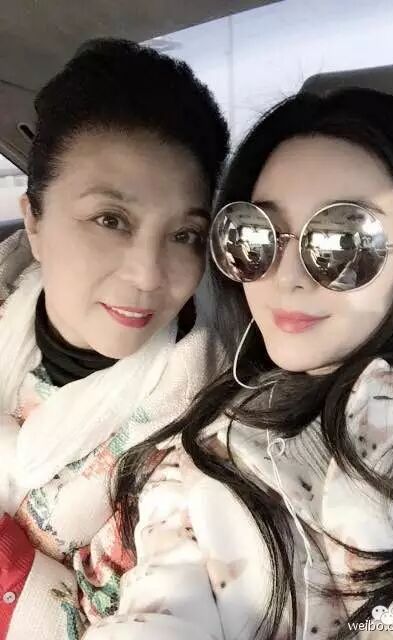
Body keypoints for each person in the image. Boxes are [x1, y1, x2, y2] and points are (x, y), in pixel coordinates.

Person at [103, 87, 393, 640]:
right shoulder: (199, 447)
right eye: (254, 235)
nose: (287, 277)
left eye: (343, 239)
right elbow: (164, 604)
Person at [0, 38, 228, 639]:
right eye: (111, 220)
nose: (149, 276)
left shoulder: (202, 437)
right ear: (34, 220)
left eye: (184, 235)